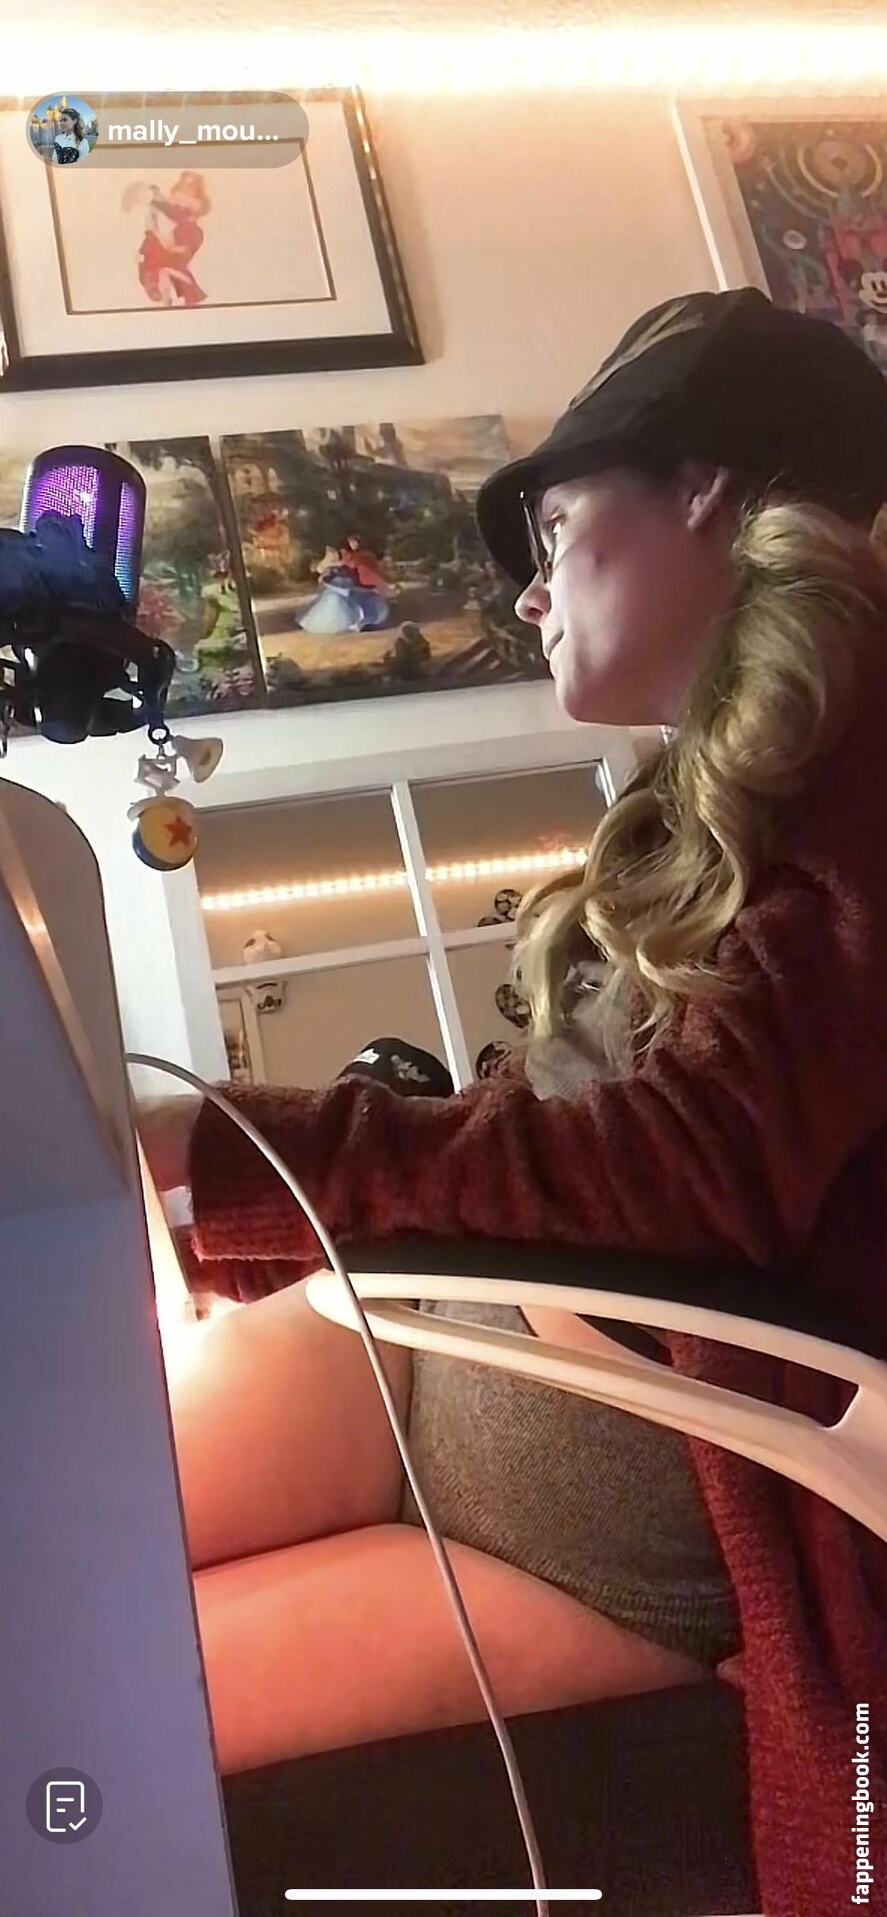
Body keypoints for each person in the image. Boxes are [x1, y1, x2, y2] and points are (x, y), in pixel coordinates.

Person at [142, 288, 887, 1917]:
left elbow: (694, 1168)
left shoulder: (867, 775)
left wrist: (241, 1156)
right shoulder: (713, 795)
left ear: (706, 485)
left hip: (585, 1538)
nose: (531, 592)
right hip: (428, 1379)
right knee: (52, 1516)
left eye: (551, 531)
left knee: (97, 1715)